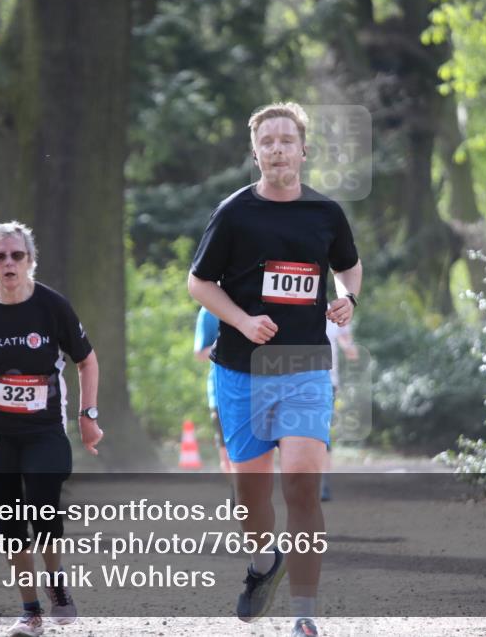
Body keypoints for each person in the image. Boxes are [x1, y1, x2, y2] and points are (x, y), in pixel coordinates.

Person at [188, 102, 362, 637]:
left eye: (287, 140)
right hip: (241, 370)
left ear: (303, 150)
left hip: (305, 363)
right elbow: (199, 283)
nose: (278, 149)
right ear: (255, 151)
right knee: (252, 498)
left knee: (302, 487)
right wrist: (241, 320)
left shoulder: (326, 214)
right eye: (268, 142)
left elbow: (348, 268)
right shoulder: (235, 212)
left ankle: (304, 616)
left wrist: (348, 299)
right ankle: (264, 564)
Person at [0, 221, 104, 637]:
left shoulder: (52, 306)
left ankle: (56, 584)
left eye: (16, 255)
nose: (8, 263)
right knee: (11, 520)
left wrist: (87, 415)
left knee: (41, 502)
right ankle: (30, 610)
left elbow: (86, 360)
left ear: (30, 260)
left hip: (43, 430)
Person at [320, 318, 359, 502]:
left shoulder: (333, 313)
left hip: (327, 383)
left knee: (322, 432)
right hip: (294, 380)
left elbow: (346, 341)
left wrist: (350, 347)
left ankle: (323, 485)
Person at [194, 305, 232, 474]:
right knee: (226, 452)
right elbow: (200, 353)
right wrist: (231, 342)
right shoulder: (209, 311)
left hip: (259, 389)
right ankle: (236, 495)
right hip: (220, 390)